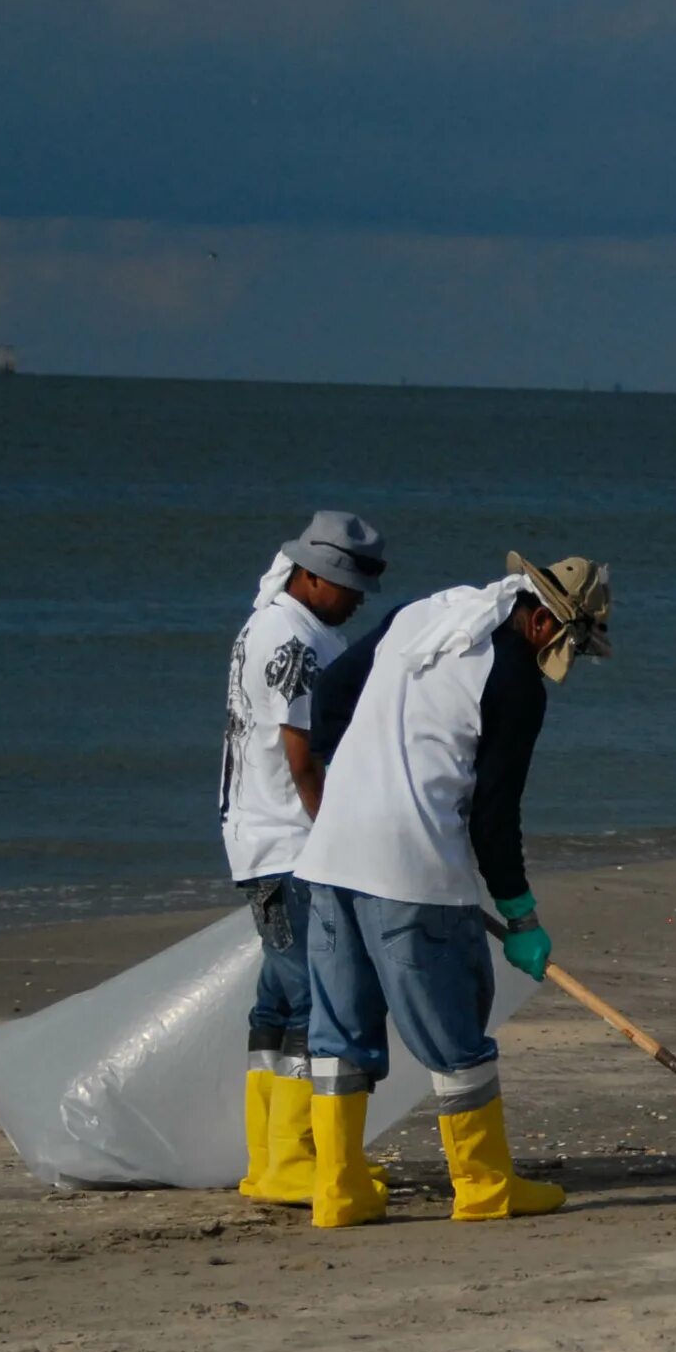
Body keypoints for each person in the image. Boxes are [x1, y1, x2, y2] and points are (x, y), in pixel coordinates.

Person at [294, 551, 613, 1227]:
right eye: (572, 644)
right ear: (545, 623)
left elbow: (327, 695)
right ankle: (484, 1185)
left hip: (329, 857)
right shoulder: (516, 684)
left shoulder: (421, 616)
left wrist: (354, 774)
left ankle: (339, 1191)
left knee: (340, 1034)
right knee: (455, 1034)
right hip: (413, 874)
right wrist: (520, 914)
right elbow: (495, 814)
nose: (569, 658)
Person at [218, 511, 385, 1206]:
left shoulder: (274, 623)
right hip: (287, 841)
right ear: (310, 576)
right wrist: (333, 832)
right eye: (347, 585)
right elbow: (299, 749)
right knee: (315, 995)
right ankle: (293, 1155)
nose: (357, 598)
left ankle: (270, 1158)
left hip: (255, 837)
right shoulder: (292, 638)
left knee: (279, 997)